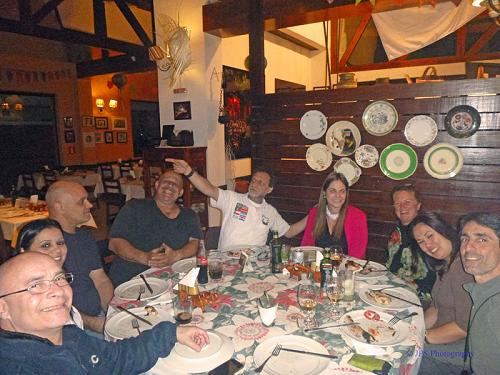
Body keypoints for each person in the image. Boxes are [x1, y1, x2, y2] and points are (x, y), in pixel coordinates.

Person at [0, 252, 209, 374]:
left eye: (59, 279)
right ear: (3, 308)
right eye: (36, 285)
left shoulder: (68, 334)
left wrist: (172, 333)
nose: (56, 290)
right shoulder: (21, 367)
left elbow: (114, 358)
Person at [166, 159, 307, 249]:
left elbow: (289, 232)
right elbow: (209, 189)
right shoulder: (232, 199)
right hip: (227, 260)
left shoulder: (270, 212)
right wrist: (189, 172)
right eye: (253, 180)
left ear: (269, 189)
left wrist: (312, 214)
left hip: (254, 263)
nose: (254, 184)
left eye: (260, 183)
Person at [108, 170, 203, 286]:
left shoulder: (190, 215)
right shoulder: (134, 207)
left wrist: (176, 256)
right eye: (166, 181)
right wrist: (145, 257)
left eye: (175, 184)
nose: (170, 185)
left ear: (180, 192)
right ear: (157, 185)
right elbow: (114, 243)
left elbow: (194, 243)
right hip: (134, 279)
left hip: (173, 278)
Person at [46, 181, 114, 334]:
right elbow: (49, 304)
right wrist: (94, 323)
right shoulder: (44, 245)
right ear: (59, 207)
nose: (90, 205)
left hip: (99, 316)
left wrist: (113, 311)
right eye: (81, 201)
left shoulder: (84, 236)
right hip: (69, 328)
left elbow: (101, 280)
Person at [410, 212, 473, 374]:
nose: (427, 245)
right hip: (440, 338)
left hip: (461, 351)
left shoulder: (462, 267)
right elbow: (435, 309)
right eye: (421, 242)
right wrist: (413, 330)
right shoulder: (445, 264)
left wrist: (422, 338)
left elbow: (464, 327)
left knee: (405, 358)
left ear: (443, 229)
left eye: (430, 236)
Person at [15, 218, 84, 328]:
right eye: (46, 245)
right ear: (24, 251)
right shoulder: (22, 294)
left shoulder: (64, 277)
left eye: (60, 243)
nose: (57, 250)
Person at [459, 213, 500, 375]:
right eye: (465, 239)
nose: (468, 247)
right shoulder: (483, 292)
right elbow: (474, 351)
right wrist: (422, 351)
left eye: (482, 239)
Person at [386, 184, 435, 303]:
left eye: (407, 201)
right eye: (397, 203)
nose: (402, 207)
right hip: (394, 290)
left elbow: (432, 277)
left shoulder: (427, 234)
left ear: (418, 205)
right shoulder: (396, 233)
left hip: (420, 298)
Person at [300, 172, 367, 259]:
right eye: (332, 191)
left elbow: (357, 255)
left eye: (342, 191)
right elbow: (306, 247)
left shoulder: (358, 217)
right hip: (317, 269)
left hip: (346, 270)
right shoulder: (314, 213)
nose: (338, 195)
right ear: (324, 193)